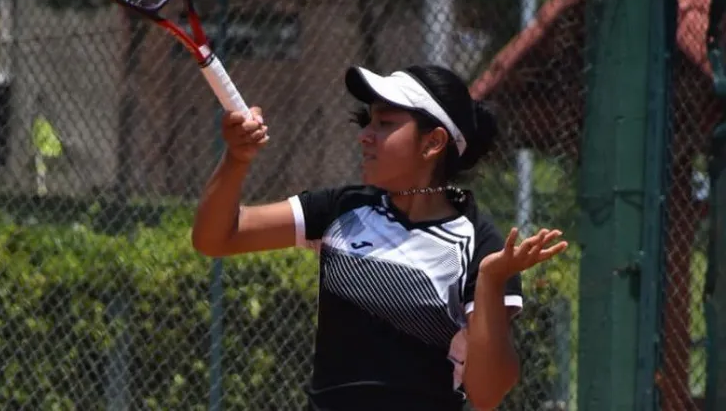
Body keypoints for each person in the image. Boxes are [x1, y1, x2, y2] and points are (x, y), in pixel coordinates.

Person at [191, 63, 569, 411]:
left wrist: (489, 280)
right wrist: (237, 158)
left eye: (385, 123)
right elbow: (217, 238)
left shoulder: (481, 245)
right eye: (368, 122)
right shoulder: (343, 208)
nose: (365, 137)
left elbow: (486, 394)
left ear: (432, 142)